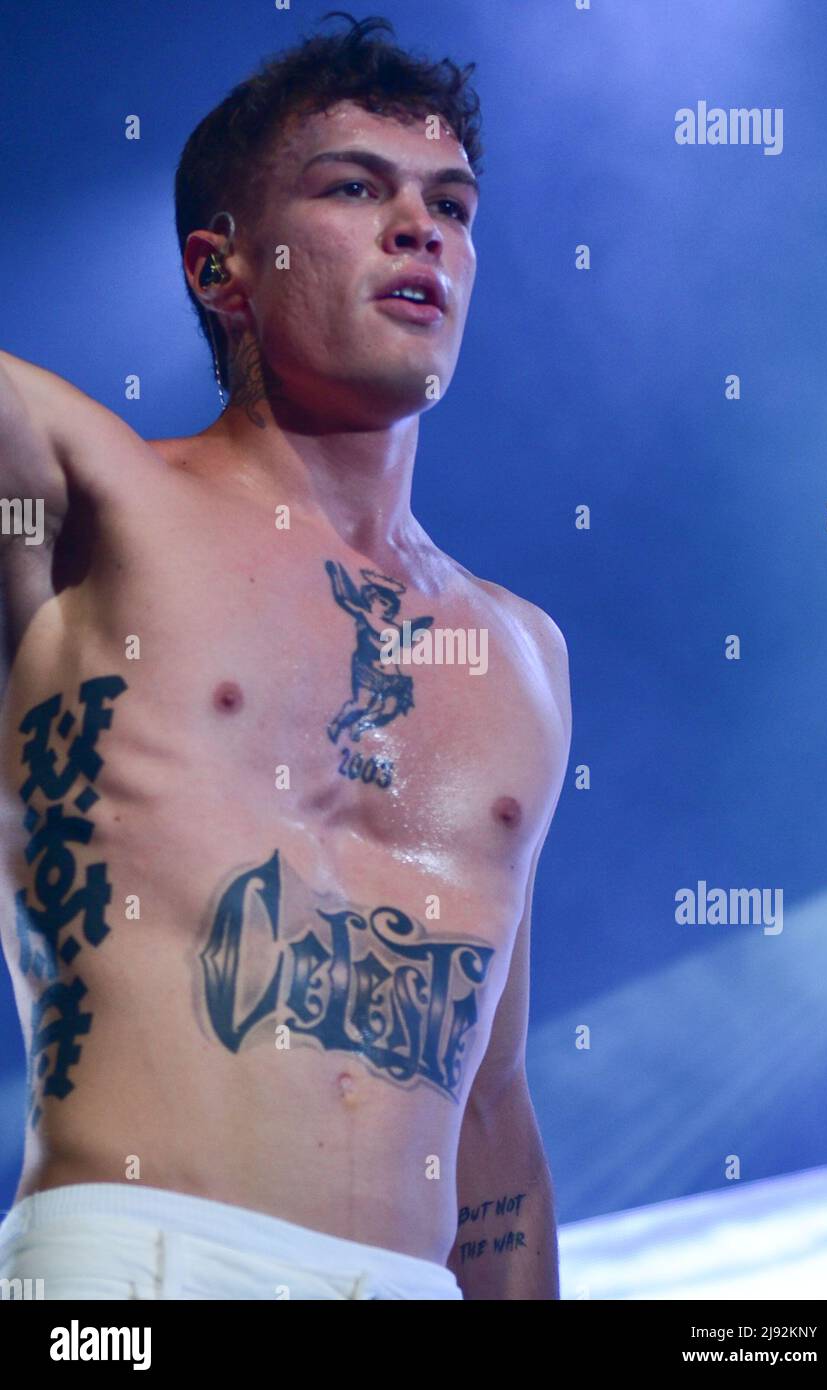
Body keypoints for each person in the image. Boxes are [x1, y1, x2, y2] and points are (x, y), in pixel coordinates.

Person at [0, 12, 570, 1300]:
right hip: (135, 1269)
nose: (421, 229)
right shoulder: (92, 500)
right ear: (221, 270)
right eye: (355, 188)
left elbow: (490, 1104)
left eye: (451, 204)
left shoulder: (523, 655)